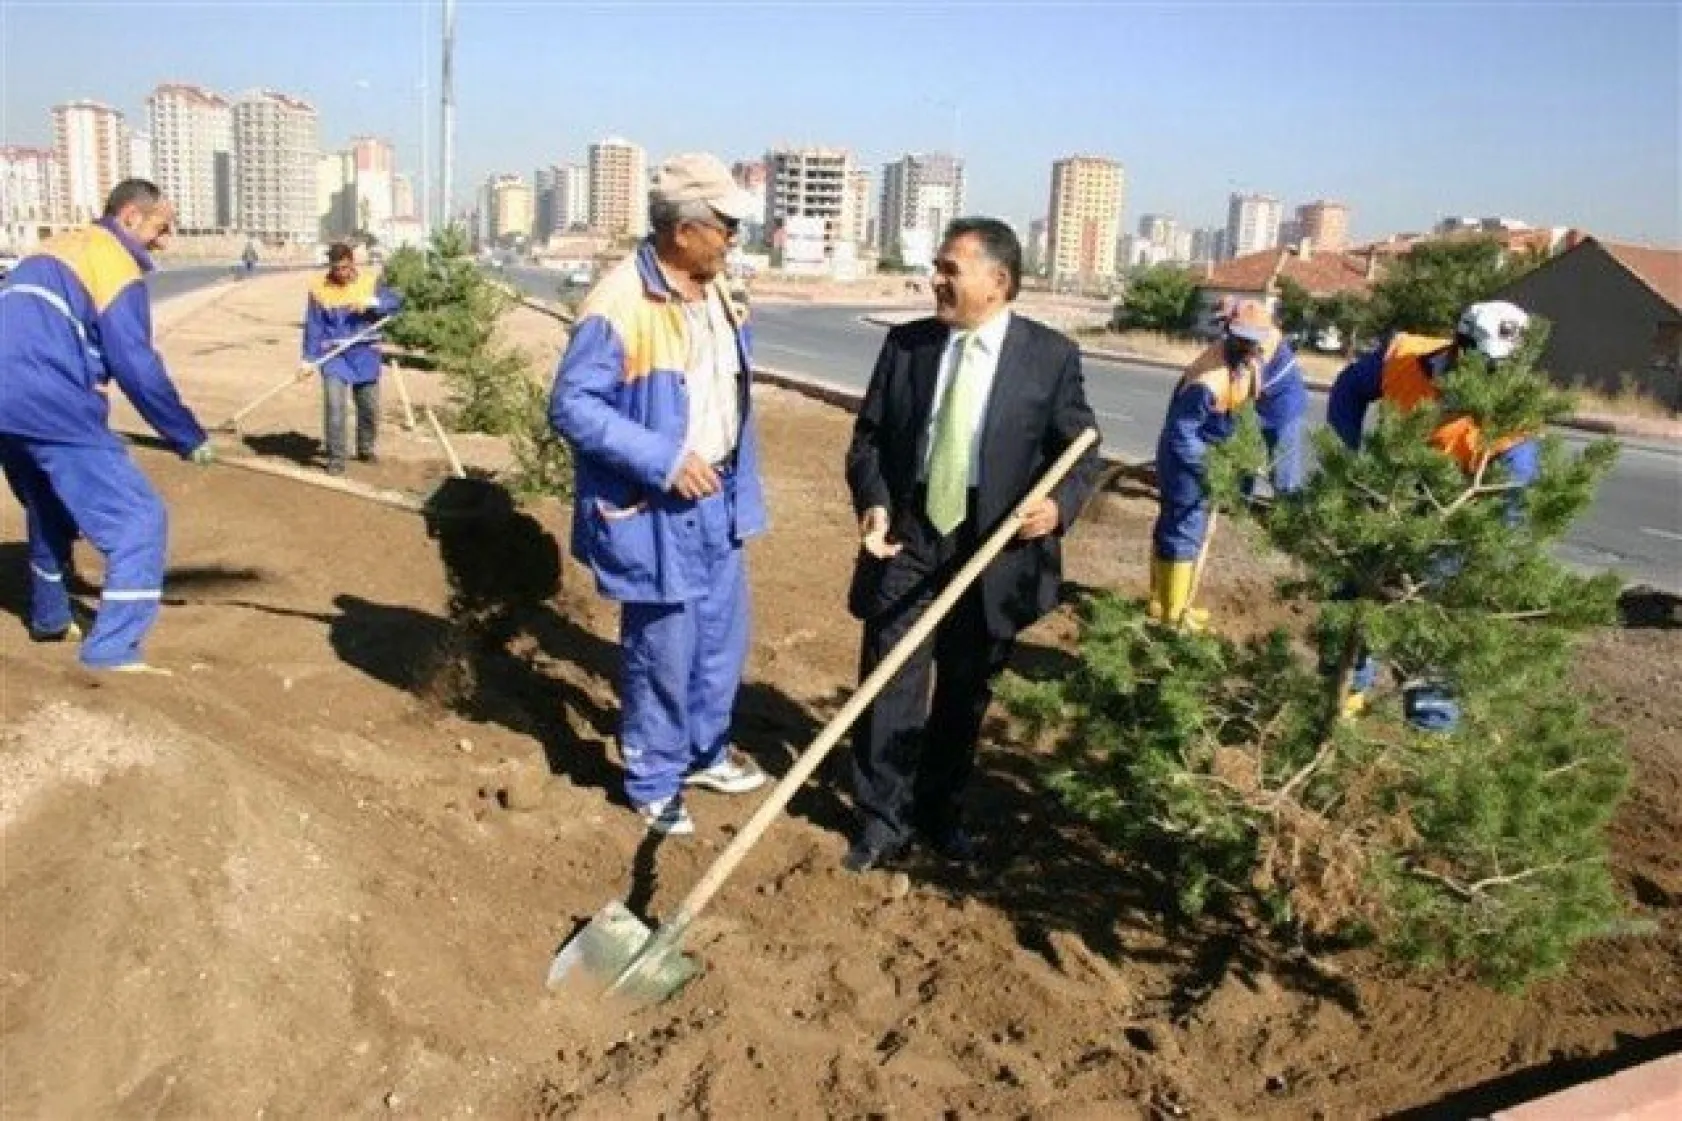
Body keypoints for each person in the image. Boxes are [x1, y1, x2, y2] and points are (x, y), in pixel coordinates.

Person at [842, 218, 1100, 872]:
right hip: (911, 534)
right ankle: (882, 821)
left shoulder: (1050, 357)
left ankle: (937, 814)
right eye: (937, 266)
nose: (936, 279)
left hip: (996, 548)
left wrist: (1059, 506)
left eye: (950, 269)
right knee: (888, 680)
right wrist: (874, 505)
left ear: (998, 281)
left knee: (963, 692)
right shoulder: (907, 347)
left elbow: (1082, 449)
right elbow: (868, 440)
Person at [549, 153, 768, 837]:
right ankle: (653, 776)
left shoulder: (720, 291)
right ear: (684, 229)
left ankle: (703, 751)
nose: (735, 236)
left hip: (720, 496)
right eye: (725, 224)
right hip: (658, 503)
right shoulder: (619, 303)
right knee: (662, 650)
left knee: (719, 640)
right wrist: (665, 459)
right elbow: (572, 406)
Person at [0, 178, 214, 673]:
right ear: (130, 218)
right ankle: (112, 651)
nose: (166, 241)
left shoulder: (53, 249)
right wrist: (187, 435)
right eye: (162, 227)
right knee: (139, 520)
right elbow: (134, 363)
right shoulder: (113, 263)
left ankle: (50, 618)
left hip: (10, 399)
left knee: (47, 505)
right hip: (45, 397)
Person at [1326, 299, 1538, 730]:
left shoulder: (1513, 418)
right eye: (1485, 363)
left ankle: (1430, 733)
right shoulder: (1403, 357)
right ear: (1460, 345)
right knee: (1356, 609)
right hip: (1382, 500)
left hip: (1450, 524)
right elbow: (1349, 389)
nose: (1493, 377)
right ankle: (1340, 710)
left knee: (1431, 632)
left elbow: (1513, 503)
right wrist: (1348, 460)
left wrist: (1486, 563)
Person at [1146, 299, 1274, 628]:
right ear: (1229, 334)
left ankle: (1166, 605)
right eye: (1243, 339)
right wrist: (1210, 468)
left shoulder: (1248, 362)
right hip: (1186, 460)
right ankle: (1173, 614)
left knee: (1184, 529)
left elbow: (1243, 411)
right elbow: (1181, 436)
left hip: (1209, 451)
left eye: (1254, 340)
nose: (1249, 346)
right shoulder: (1209, 378)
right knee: (1183, 531)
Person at [303, 242, 403, 476]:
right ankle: (336, 457)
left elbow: (395, 302)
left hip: (364, 353)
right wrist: (307, 359)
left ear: (352, 263)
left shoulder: (369, 281)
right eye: (336, 269)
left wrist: (373, 303)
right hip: (333, 356)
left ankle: (365, 448)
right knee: (335, 406)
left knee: (368, 407)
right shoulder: (319, 288)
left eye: (345, 268)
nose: (342, 273)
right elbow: (314, 326)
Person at [1209, 296, 1308, 498]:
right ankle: (1239, 502)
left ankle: (1288, 512)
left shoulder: (1267, 337)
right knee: (1243, 454)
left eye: (1224, 321)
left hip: (1282, 405)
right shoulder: (1234, 335)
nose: (1222, 327)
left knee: (1282, 465)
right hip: (1253, 405)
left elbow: (1251, 380)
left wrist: (1225, 402)